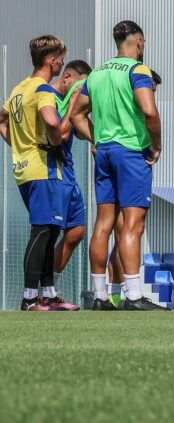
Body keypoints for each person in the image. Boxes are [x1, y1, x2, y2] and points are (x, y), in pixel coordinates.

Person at [71, 22, 166, 311]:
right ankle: (134, 296)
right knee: (133, 225)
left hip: (105, 153)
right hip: (131, 153)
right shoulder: (138, 71)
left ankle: (100, 296)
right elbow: (150, 112)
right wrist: (156, 145)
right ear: (139, 42)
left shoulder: (97, 73)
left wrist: (97, 139)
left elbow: (76, 115)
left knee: (103, 224)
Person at [1, 36, 70, 311]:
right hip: (42, 167)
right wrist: (57, 144)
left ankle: (48, 294)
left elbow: (2, 120)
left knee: (50, 230)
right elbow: (51, 121)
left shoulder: (19, 88)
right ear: (51, 61)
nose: (62, 64)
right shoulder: (42, 88)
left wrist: (18, 145)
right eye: (61, 59)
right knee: (42, 231)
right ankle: (29, 298)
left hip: (24, 167)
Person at [50, 59, 91, 308]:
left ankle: (49, 287)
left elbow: (78, 127)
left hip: (69, 174)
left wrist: (98, 139)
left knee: (76, 232)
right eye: (79, 85)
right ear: (67, 78)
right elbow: (62, 133)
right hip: (52, 173)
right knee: (49, 232)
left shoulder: (69, 102)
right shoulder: (49, 98)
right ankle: (41, 292)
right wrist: (75, 99)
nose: (80, 91)